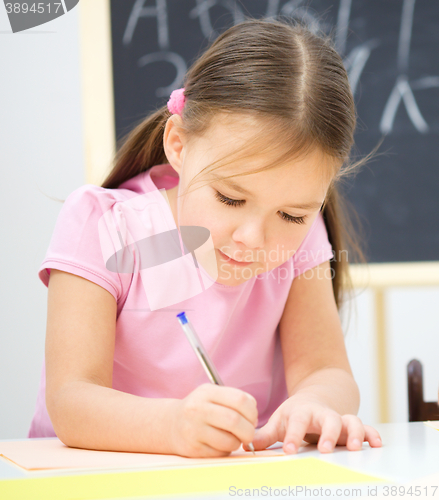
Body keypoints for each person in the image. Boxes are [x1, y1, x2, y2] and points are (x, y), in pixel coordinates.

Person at [28, 18, 382, 458]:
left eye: (291, 214)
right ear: (178, 144)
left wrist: (316, 403)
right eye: (230, 199)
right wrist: (173, 427)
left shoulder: (305, 238)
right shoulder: (103, 226)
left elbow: (326, 369)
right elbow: (71, 399)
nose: (253, 238)